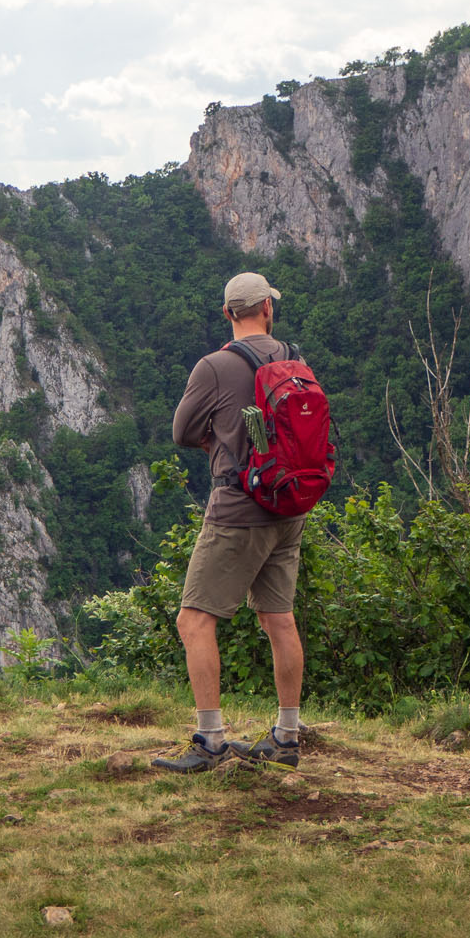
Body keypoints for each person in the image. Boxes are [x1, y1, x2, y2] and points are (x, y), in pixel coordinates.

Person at [154, 271, 307, 773]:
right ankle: (286, 737)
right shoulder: (295, 360)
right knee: (278, 618)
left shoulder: (213, 367)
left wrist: (218, 441)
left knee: (194, 620)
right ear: (267, 307)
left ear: (227, 314)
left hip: (240, 510)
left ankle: (211, 741)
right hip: (290, 506)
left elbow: (181, 432)